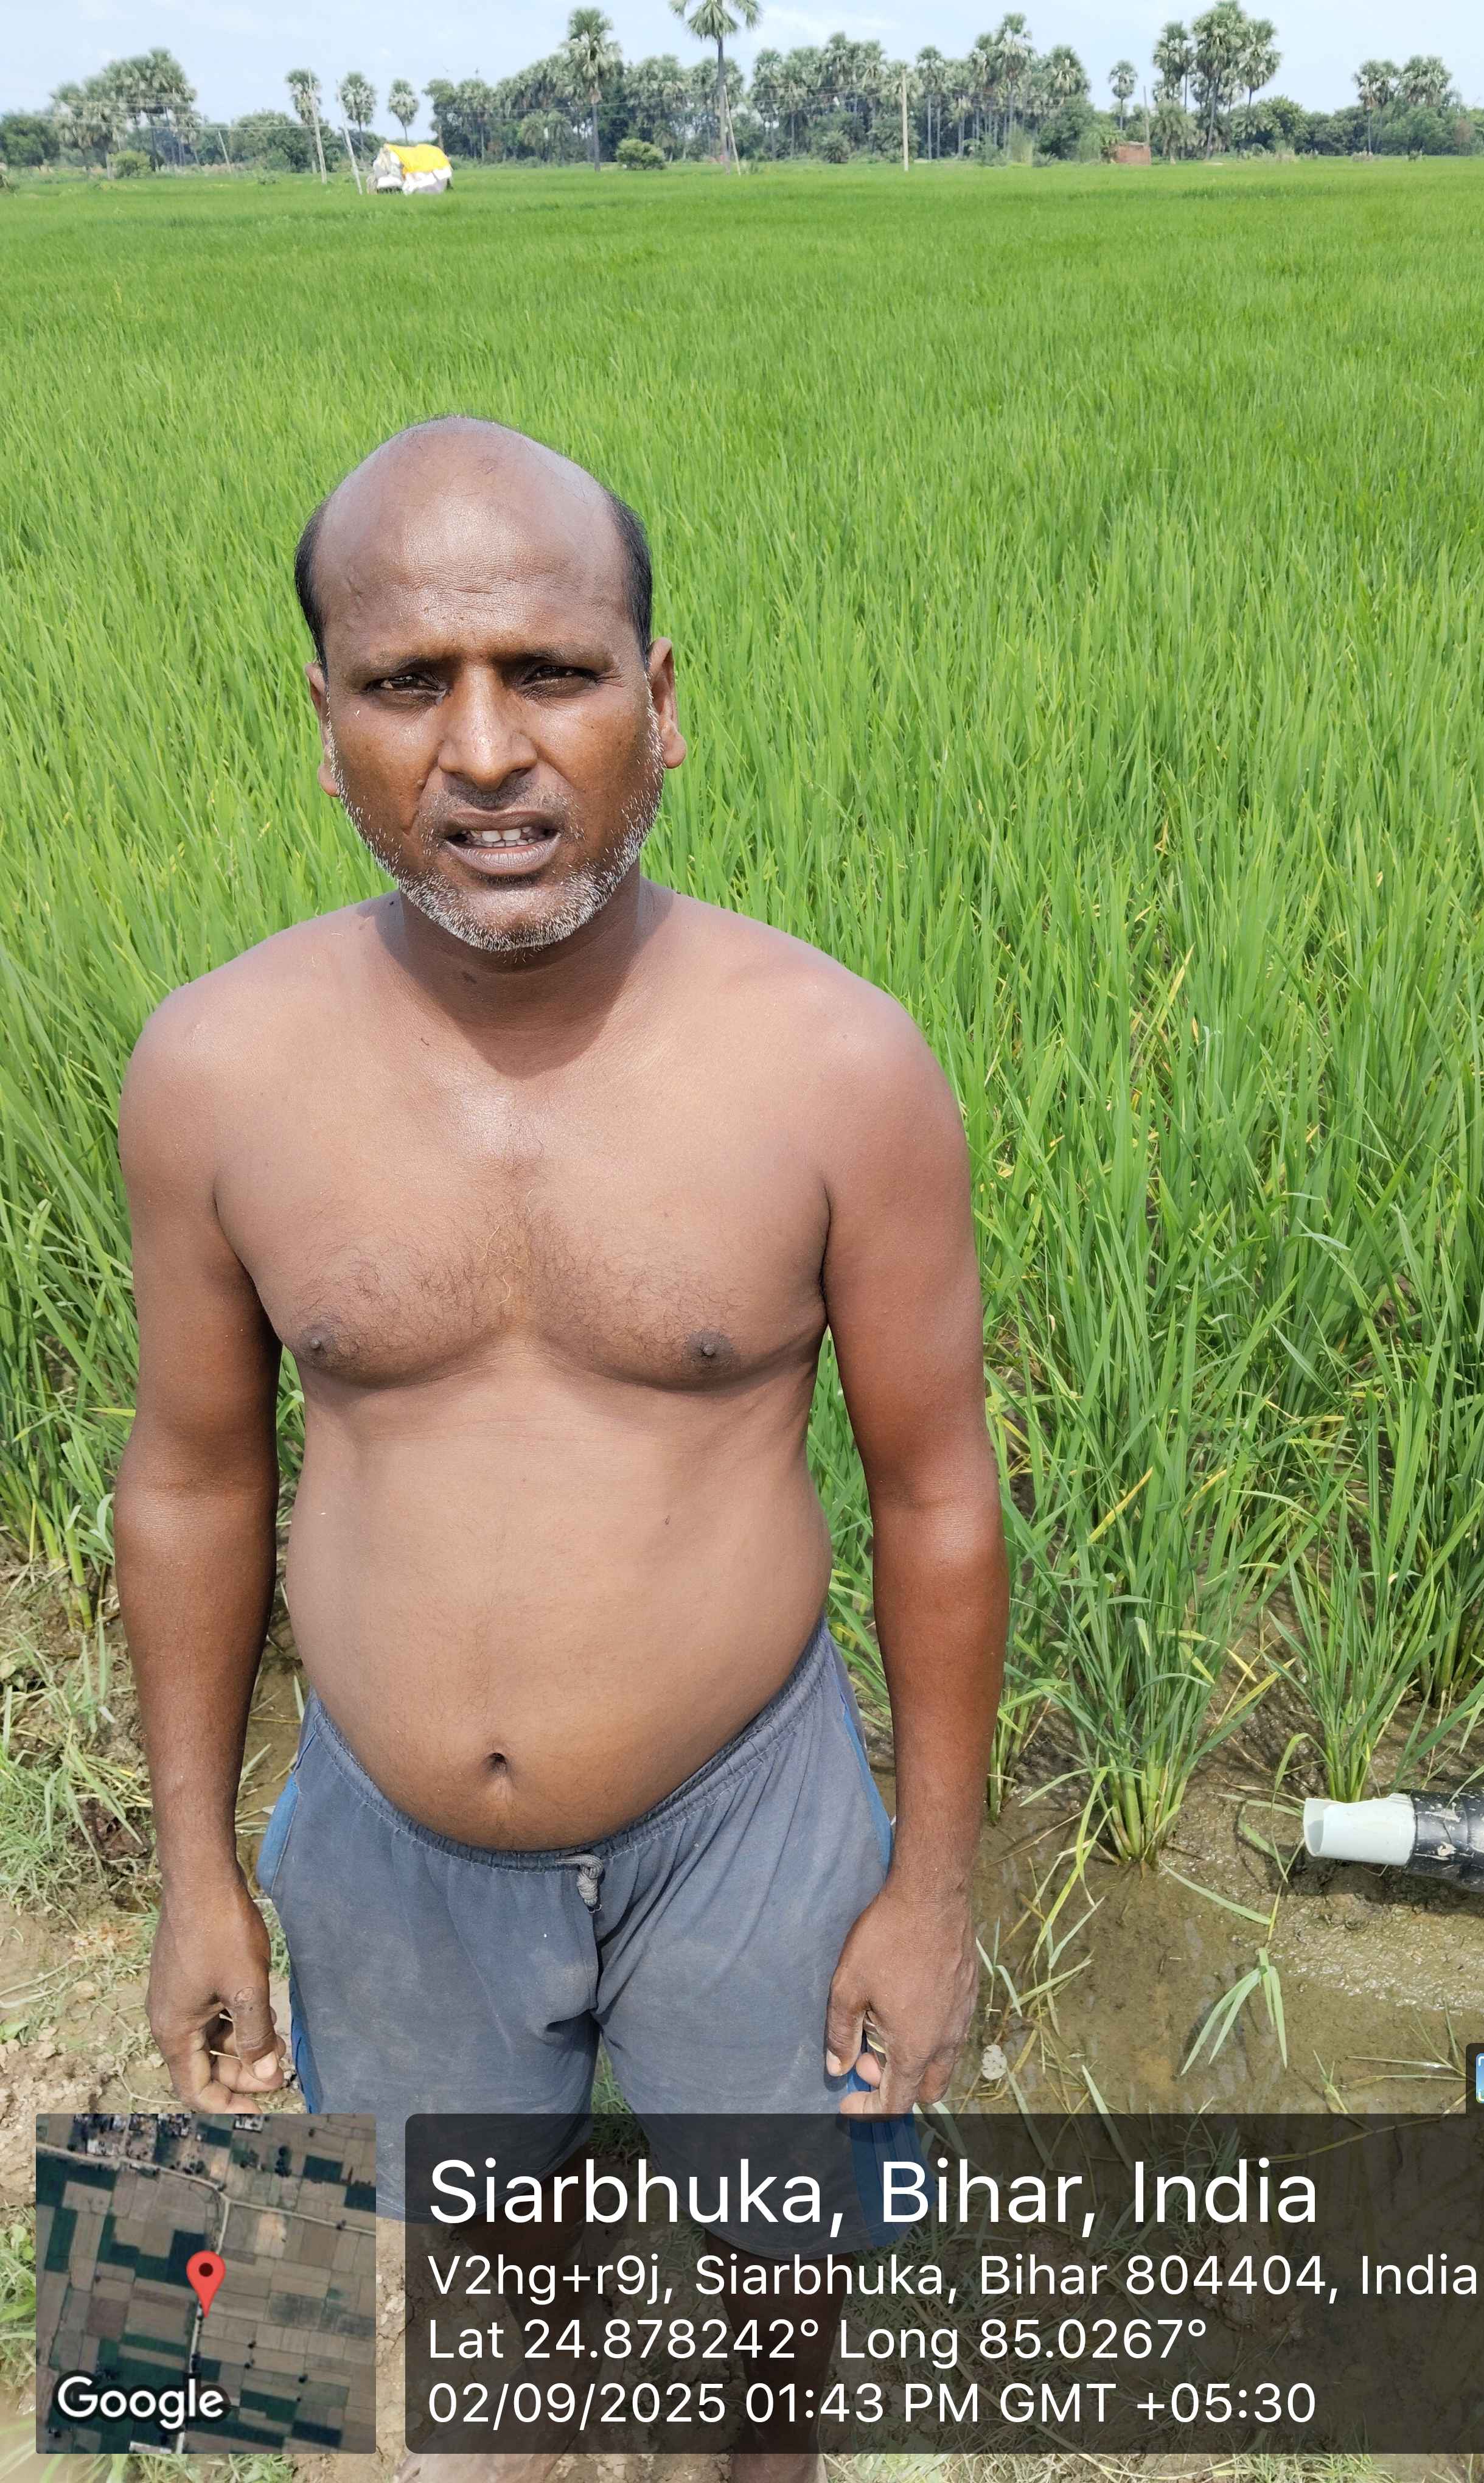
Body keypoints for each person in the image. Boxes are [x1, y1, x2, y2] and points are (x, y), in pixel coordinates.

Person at [114, 416, 1009, 2483]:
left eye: (552, 672)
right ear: (323, 723)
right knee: (459, 2306)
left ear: (659, 703)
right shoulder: (216, 1065)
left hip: (748, 1816)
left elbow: (937, 1493)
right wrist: (195, 1875)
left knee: (777, 2304)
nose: (485, 752)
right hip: (385, 1840)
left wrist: (932, 1889)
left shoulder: (838, 1062)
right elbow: (190, 1477)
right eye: (405, 682)